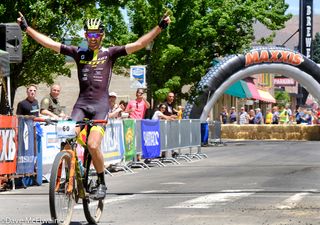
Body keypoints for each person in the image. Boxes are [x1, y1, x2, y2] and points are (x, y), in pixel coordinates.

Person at [17, 12, 171, 200]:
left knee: (92, 144)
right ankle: (71, 174)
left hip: (100, 107)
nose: (93, 39)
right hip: (81, 105)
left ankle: (101, 182)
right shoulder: (78, 52)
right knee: (66, 140)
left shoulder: (110, 53)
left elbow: (138, 44)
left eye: (96, 35)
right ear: (85, 36)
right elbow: (49, 43)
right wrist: (26, 29)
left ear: (102, 35)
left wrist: (159, 27)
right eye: (89, 35)